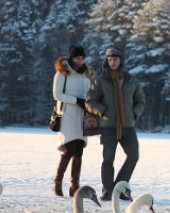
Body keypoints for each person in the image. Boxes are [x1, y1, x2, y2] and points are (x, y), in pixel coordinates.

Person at [86, 46, 145, 201]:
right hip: (108, 126)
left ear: (121, 61)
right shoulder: (100, 80)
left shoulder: (131, 80)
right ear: (107, 61)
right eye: (110, 59)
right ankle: (107, 191)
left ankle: (120, 189)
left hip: (128, 126)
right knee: (108, 159)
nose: (113, 62)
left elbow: (140, 100)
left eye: (116, 59)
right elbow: (90, 101)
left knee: (133, 156)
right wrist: (103, 111)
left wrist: (134, 113)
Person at [51, 45, 92, 197]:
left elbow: (89, 92)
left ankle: (75, 184)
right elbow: (57, 94)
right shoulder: (63, 73)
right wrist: (76, 100)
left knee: (79, 148)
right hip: (67, 113)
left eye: (82, 58)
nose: (80, 61)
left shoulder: (86, 74)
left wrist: (89, 103)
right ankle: (57, 182)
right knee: (70, 147)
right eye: (77, 58)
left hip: (82, 115)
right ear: (71, 58)